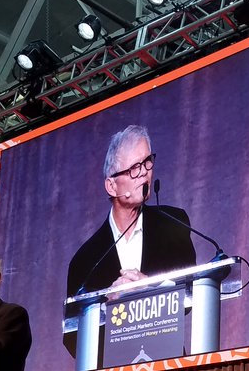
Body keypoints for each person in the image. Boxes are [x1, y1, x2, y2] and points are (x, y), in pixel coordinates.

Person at [64, 125, 197, 354]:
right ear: (111, 186)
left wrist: (149, 287)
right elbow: (72, 339)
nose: (145, 172)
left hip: (167, 363)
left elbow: (193, 293)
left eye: (147, 162)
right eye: (134, 168)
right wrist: (109, 306)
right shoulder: (85, 259)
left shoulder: (172, 223)